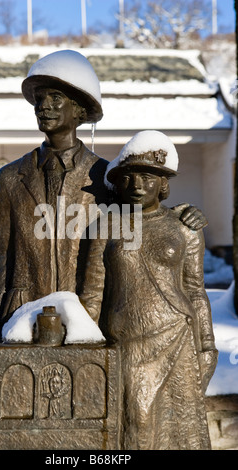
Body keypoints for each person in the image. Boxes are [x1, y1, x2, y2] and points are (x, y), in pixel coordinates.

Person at [0, 51, 208, 355]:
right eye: (39, 99)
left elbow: (143, 217)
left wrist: (180, 216)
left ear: (80, 110)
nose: (44, 106)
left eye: (55, 98)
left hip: (84, 315)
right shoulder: (10, 177)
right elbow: (5, 253)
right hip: (23, 311)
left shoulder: (106, 177)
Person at [80, 130, 218, 450]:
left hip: (178, 338)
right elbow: (93, 291)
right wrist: (85, 345)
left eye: (147, 176)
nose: (137, 185)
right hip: (127, 341)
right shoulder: (106, 225)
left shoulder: (184, 227)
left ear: (163, 183)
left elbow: (196, 291)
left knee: (181, 427)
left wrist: (207, 345)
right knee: (135, 424)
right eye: (128, 177)